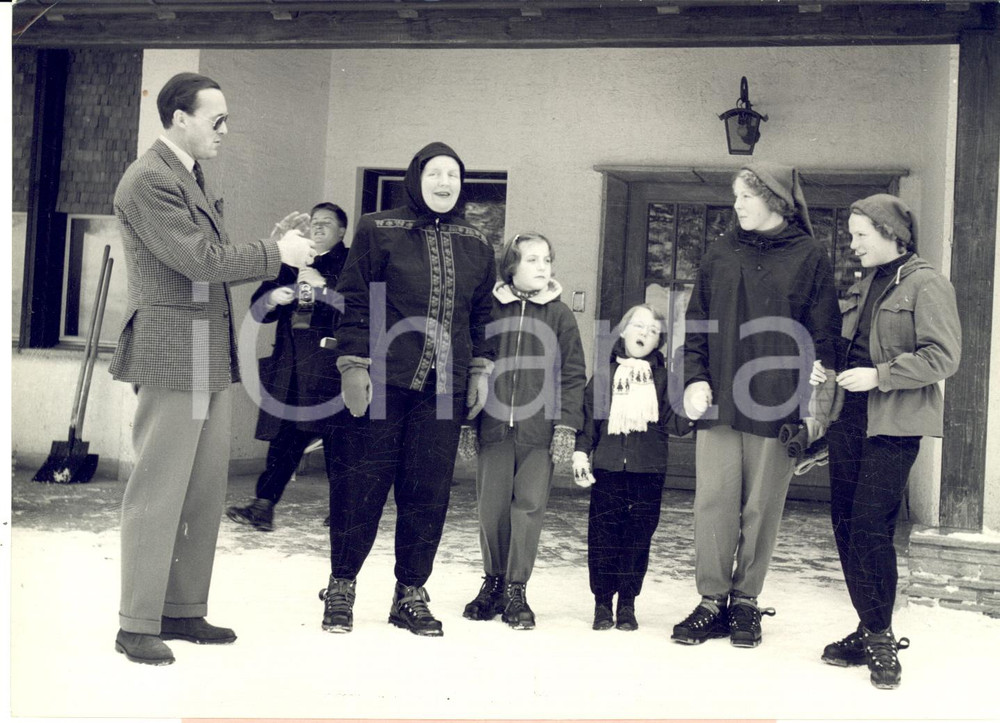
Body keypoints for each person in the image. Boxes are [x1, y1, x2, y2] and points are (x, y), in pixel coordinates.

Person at [109, 72, 316, 665]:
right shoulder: (149, 179)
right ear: (179, 118)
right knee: (158, 492)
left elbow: (212, 259)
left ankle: (180, 609)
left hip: (206, 353)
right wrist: (275, 253)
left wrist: (270, 242)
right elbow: (197, 261)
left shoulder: (187, 175)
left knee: (202, 491)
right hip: (174, 352)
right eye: (216, 119)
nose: (226, 130)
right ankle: (136, 622)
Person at [319, 142, 496, 636]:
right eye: (435, 173)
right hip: (383, 383)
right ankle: (341, 586)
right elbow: (355, 300)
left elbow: (483, 316)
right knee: (361, 487)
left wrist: (479, 369)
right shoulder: (379, 229)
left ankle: (410, 593)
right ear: (417, 178)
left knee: (428, 493)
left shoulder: (477, 243)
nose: (444, 183)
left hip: (444, 391)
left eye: (454, 176)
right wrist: (353, 364)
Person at [672, 162, 840, 648]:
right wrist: (693, 378)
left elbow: (824, 330)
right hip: (721, 398)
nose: (737, 205)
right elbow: (697, 322)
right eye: (735, 196)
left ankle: (745, 602)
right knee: (713, 501)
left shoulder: (809, 257)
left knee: (763, 505)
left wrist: (817, 374)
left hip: (778, 403)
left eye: (746, 196)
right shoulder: (720, 252)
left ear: (775, 199)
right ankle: (710, 601)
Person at [810, 194, 960, 689]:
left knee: (871, 526)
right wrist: (826, 366)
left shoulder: (927, 283)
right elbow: (850, 345)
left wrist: (880, 376)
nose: (853, 246)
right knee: (845, 525)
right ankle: (867, 624)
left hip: (894, 422)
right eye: (851, 235)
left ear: (891, 233)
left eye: (860, 235)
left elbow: (943, 357)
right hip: (849, 417)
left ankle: (879, 635)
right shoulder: (866, 283)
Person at [462, 232, 586, 630]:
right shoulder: (490, 310)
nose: (542, 267)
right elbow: (472, 365)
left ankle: (516, 588)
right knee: (491, 509)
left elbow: (572, 374)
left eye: (547, 259)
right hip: (493, 426)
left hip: (539, 431)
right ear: (511, 266)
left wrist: (566, 425)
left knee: (528, 508)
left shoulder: (560, 315)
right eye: (532, 259)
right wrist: (467, 421)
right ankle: (493, 581)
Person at [572, 304, 697, 632]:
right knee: (603, 535)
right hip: (609, 468)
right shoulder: (604, 376)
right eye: (638, 326)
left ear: (659, 342)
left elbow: (677, 423)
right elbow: (590, 422)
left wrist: (695, 408)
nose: (645, 333)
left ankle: (627, 602)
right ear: (623, 332)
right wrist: (581, 454)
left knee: (638, 537)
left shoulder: (665, 380)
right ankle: (602, 603)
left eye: (653, 331)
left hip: (648, 469)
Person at [226, 203, 350, 531]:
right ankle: (263, 506)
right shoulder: (292, 262)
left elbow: (362, 311)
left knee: (340, 444)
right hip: (292, 368)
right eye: (314, 223)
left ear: (341, 232)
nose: (319, 228)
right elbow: (260, 311)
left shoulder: (352, 264)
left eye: (327, 223)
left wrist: (325, 285)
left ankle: (345, 511)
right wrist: (273, 297)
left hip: (331, 370)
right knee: (284, 439)